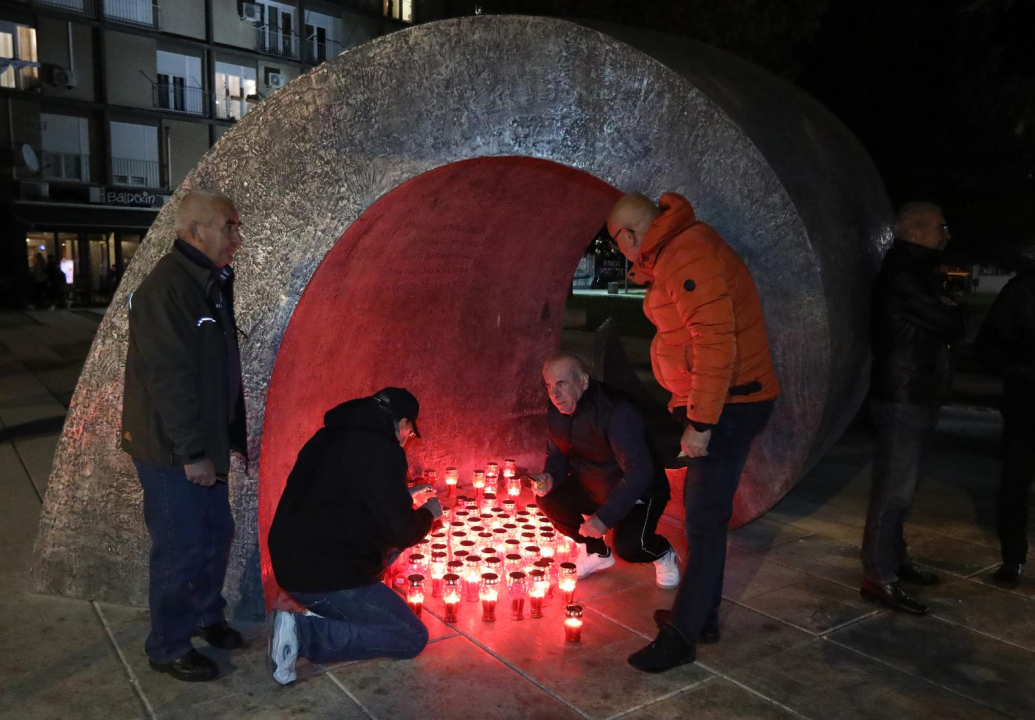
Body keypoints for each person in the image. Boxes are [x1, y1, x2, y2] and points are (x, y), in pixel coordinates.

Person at [607, 192, 780, 673]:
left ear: (629, 234)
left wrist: (702, 423)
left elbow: (714, 339)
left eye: (616, 242)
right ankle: (701, 615)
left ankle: (682, 636)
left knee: (702, 523)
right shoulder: (675, 251)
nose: (620, 252)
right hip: (725, 402)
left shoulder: (687, 251)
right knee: (706, 521)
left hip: (728, 406)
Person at [121, 189, 247, 682]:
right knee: (182, 546)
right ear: (196, 232)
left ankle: (204, 615)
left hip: (205, 442)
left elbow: (217, 368)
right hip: (174, 450)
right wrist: (193, 453)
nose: (238, 237)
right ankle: (168, 644)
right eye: (229, 226)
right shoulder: (167, 289)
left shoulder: (210, 281)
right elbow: (170, 378)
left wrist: (227, 436)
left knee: (217, 533)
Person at [266, 387, 442, 685]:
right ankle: (303, 635)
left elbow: (348, 500)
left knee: (391, 547)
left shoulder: (328, 437)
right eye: (410, 434)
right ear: (404, 425)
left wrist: (405, 496)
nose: (406, 440)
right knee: (411, 636)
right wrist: (430, 514)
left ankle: (335, 613)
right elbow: (401, 530)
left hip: (292, 558)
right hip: (324, 573)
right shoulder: (384, 450)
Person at [861, 201, 965, 614]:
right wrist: (953, 315)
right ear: (917, 231)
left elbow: (945, 317)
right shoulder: (904, 273)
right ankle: (878, 576)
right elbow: (950, 322)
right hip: (903, 395)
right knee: (894, 491)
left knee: (903, 489)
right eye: (942, 227)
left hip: (915, 392)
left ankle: (896, 560)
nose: (947, 234)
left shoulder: (914, 270)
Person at [530, 353, 679, 588]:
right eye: (549, 386)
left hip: (640, 492)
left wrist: (604, 518)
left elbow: (639, 472)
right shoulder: (557, 411)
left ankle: (662, 552)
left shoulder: (617, 412)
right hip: (595, 485)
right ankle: (596, 552)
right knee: (548, 498)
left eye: (561, 384)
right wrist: (550, 476)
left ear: (583, 381)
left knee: (630, 547)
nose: (554, 395)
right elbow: (557, 454)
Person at [976, 253, 1035, 588]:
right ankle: (1013, 558)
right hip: (1027, 405)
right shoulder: (1023, 290)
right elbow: (988, 348)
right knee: (1014, 484)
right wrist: (1023, 372)